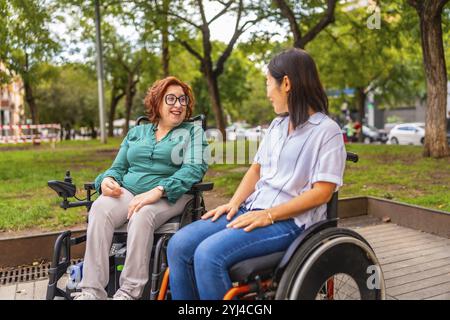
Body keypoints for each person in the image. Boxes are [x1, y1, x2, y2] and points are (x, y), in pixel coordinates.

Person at [167, 48, 347, 300]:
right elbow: (256, 169)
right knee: (179, 244)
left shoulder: (327, 131)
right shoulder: (277, 126)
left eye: (267, 83)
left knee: (208, 254)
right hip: (252, 209)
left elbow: (322, 193)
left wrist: (269, 215)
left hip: (291, 222)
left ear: (286, 83)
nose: (267, 92)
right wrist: (233, 203)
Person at [73, 76, 209, 300]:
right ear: (157, 103)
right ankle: (91, 292)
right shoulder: (137, 133)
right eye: (171, 99)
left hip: (172, 195)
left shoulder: (194, 133)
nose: (178, 105)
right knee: (99, 208)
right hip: (129, 191)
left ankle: (129, 292)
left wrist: (158, 190)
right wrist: (107, 180)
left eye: (182, 100)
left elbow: (194, 169)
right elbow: (118, 167)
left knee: (142, 213)